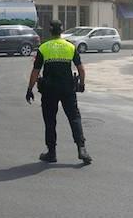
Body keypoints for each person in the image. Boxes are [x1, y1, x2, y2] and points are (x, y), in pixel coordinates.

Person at [26, 20, 92, 165]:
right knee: (74, 117)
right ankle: (82, 149)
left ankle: (51, 152)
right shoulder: (70, 46)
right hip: (67, 89)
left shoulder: (44, 48)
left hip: (49, 90)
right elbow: (81, 69)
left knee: (50, 121)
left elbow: (35, 71)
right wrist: (81, 84)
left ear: (50, 31)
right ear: (61, 31)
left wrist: (30, 89)